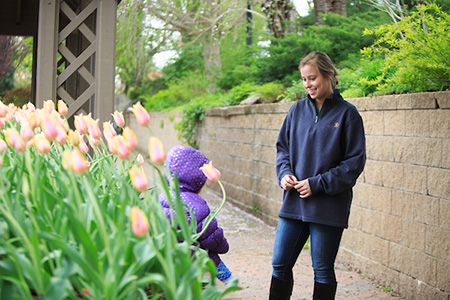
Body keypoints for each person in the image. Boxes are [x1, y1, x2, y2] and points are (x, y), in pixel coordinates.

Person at [269, 51, 366, 300]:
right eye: (304, 79)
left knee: (322, 270)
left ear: (329, 75)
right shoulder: (296, 111)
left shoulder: (348, 114)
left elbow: (354, 164)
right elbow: (283, 149)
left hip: (328, 206)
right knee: (279, 264)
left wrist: (317, 184)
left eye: (312, 78)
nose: (308, 85)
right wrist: (285, 173)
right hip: (294, 203)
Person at [159, 145, 234, 285]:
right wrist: (224, 246)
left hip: (169, 260)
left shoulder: (161, 197)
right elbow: (211, 236)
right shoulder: (195, 205)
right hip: (196, 260)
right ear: (195, 179)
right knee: (224, 273)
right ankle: (229, 286)